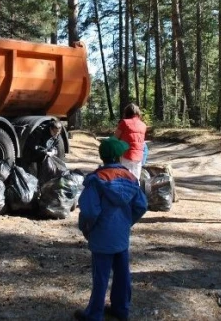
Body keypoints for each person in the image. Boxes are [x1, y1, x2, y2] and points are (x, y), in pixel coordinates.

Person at [75, 136, 147, 321]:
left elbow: (90, 211)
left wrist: (85, 228)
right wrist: (127, 222)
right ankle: (121, 309)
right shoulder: (130, 178)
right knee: (123, 273)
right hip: (121, 236)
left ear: (103, 157)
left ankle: (94, 314)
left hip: (101, 236)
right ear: (118, 157)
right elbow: (141, 205)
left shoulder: (96, 179)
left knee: (101, 276)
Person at [115, 103, 147, 180]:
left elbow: (115, 138)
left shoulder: (124, 123)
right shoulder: (143, 125)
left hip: (127, 154)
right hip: (139, 156)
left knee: (125, 178)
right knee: (136, 179)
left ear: (126, 113)